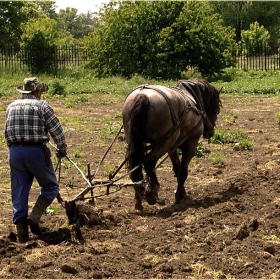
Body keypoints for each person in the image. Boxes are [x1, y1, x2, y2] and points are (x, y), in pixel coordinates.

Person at [4, 77, 67, 243]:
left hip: (15, 153)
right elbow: (57, 131)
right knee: (51, 186)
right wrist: (62, 148)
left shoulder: (10, 107)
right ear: (37, 92)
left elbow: (7, 134)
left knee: (19, 193)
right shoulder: (42, 105)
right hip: (36, 152)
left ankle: (22, 236)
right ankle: (35, 215)